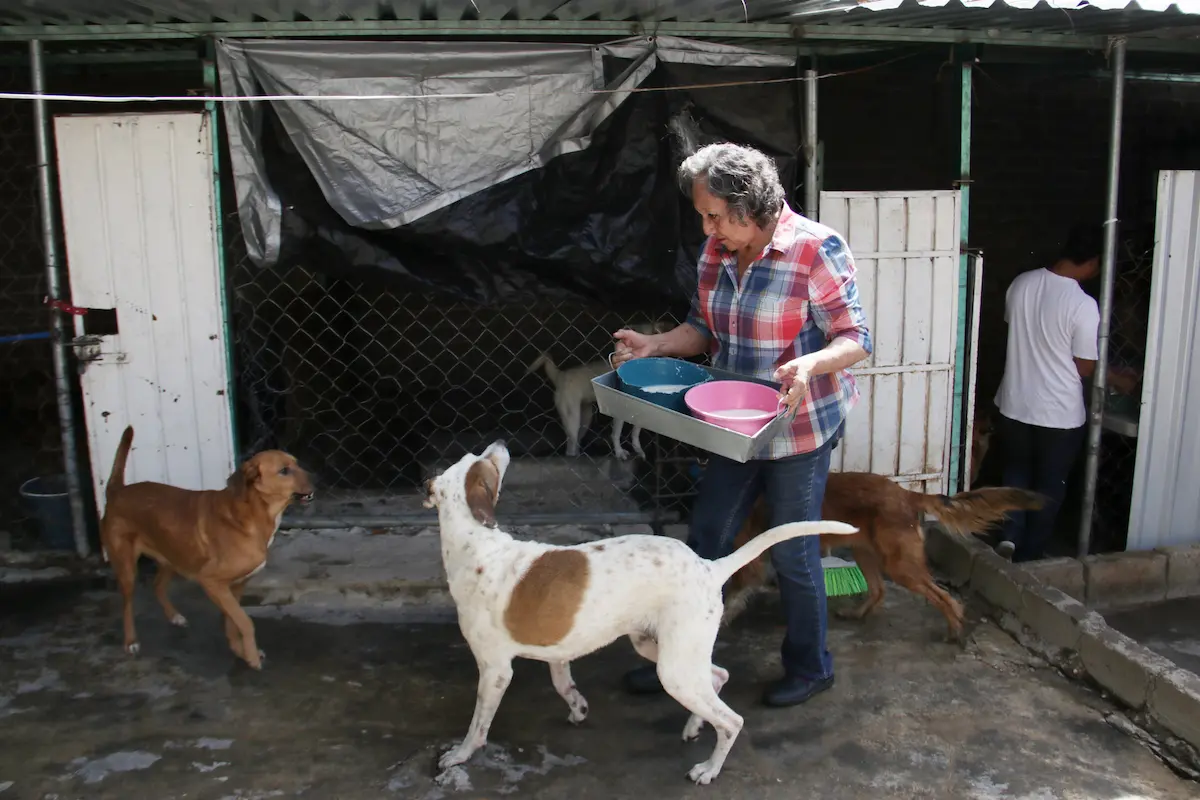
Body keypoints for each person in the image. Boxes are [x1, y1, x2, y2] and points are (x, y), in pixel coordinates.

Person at [611, 141, 871, 708]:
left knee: (791, 550)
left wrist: (809, 363)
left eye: (714, 216)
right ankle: (676, 665)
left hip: (799, 425)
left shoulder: (816, 250)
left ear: (749, 205)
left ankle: (811, 666)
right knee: (705, 541)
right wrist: (655, 343)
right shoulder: (716, 255)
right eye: (702, 217)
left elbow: (856, 338)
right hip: (730, 426)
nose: (707, 230)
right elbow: (702, 328)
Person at [992, 225, 1139, 563]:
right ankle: (1031, 555)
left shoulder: (1022, 283)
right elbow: (1086, 367)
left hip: (1014, 403)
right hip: (1057, 413)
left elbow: (1013, 328)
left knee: (1015, 473)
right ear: (1092, 263)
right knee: (1049, 485)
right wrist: (1119, 378)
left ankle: (1010, 538)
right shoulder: (1082, 304)